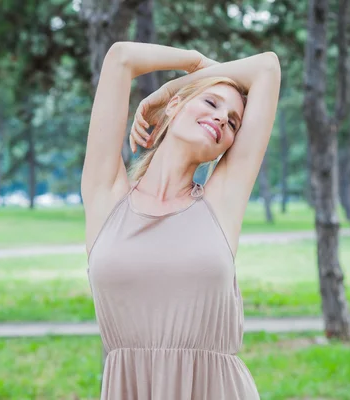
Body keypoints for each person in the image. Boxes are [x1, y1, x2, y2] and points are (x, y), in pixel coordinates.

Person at [81, 41, 280, 400]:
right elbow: (120, 58)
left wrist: (172, 88)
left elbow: (266, 68)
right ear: (175, 108)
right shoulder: (105, 197)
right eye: (210, 102)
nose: (222, 118)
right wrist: (194, 63)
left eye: (233, 121)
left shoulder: (221, 202)